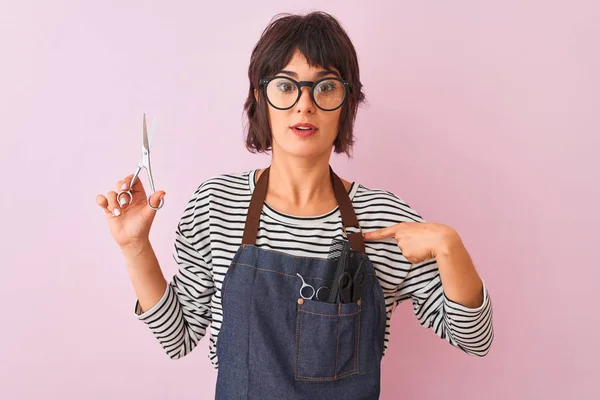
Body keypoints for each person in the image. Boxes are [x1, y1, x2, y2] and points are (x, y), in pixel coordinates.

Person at [96, 11, 493, 399]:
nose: (305, 105)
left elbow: (474, 338)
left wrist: (449, 246)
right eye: (286, 86)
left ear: (347, 102)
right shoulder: (216, 206)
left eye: (325, 87)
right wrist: (135, 247)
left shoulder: (385, 220)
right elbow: (178, 337)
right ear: (260, 98)